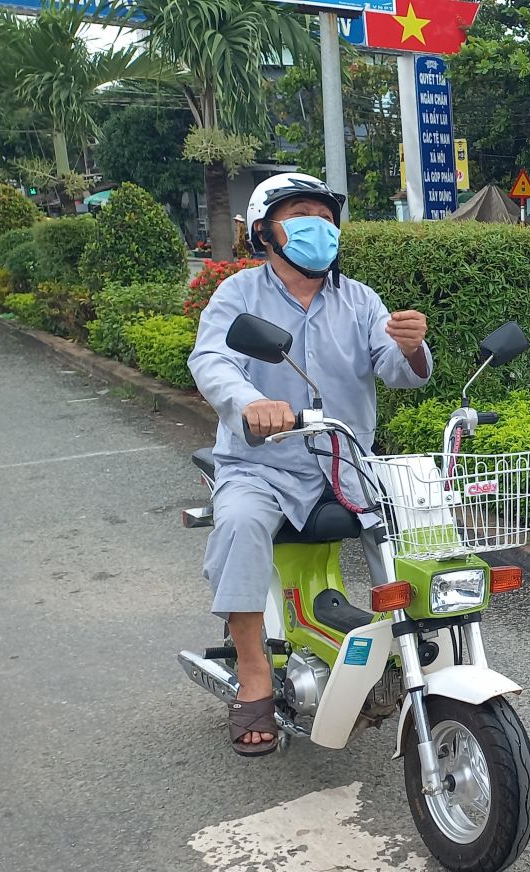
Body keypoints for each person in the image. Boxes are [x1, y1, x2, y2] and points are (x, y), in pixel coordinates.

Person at [188, 173, 433, 757]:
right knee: (243, 524)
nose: (317, 227)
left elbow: (399, 372)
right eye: (300, 214)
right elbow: (212, 360)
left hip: (346, 462)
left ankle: (416, 647)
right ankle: (252, 675)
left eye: (325, 217)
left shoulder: (360, 299)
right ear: (264, 231)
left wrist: (411, 346)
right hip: (261, 464)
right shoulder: (239, 296)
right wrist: (252, 404)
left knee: (426, 512)